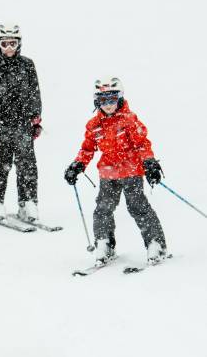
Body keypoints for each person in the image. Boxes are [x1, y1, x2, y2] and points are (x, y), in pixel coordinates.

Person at [64, 77, 167, 265]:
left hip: (131, 171)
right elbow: (87, 148)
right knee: (103, 209)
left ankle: (155, 244)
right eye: (103, 100)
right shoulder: (94, 125)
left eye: (112, 99)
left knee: (137, 207)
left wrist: (150, 162)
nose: (108, 105)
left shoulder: (129, 119)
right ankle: (105, 244)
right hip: (108, 173)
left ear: (119, 98)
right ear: (97, 101)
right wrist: (77, 165)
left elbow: (142, 144)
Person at [0, 24, 42, 222]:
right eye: (5, 44)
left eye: (13, 43)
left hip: (23, 123)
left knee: (27, 164)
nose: (9, 48)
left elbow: (34, 93)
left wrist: (36, 117)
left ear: (19, 43)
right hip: (0, 123)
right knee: (0, 165)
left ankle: (27, 202)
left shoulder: (27, 65)